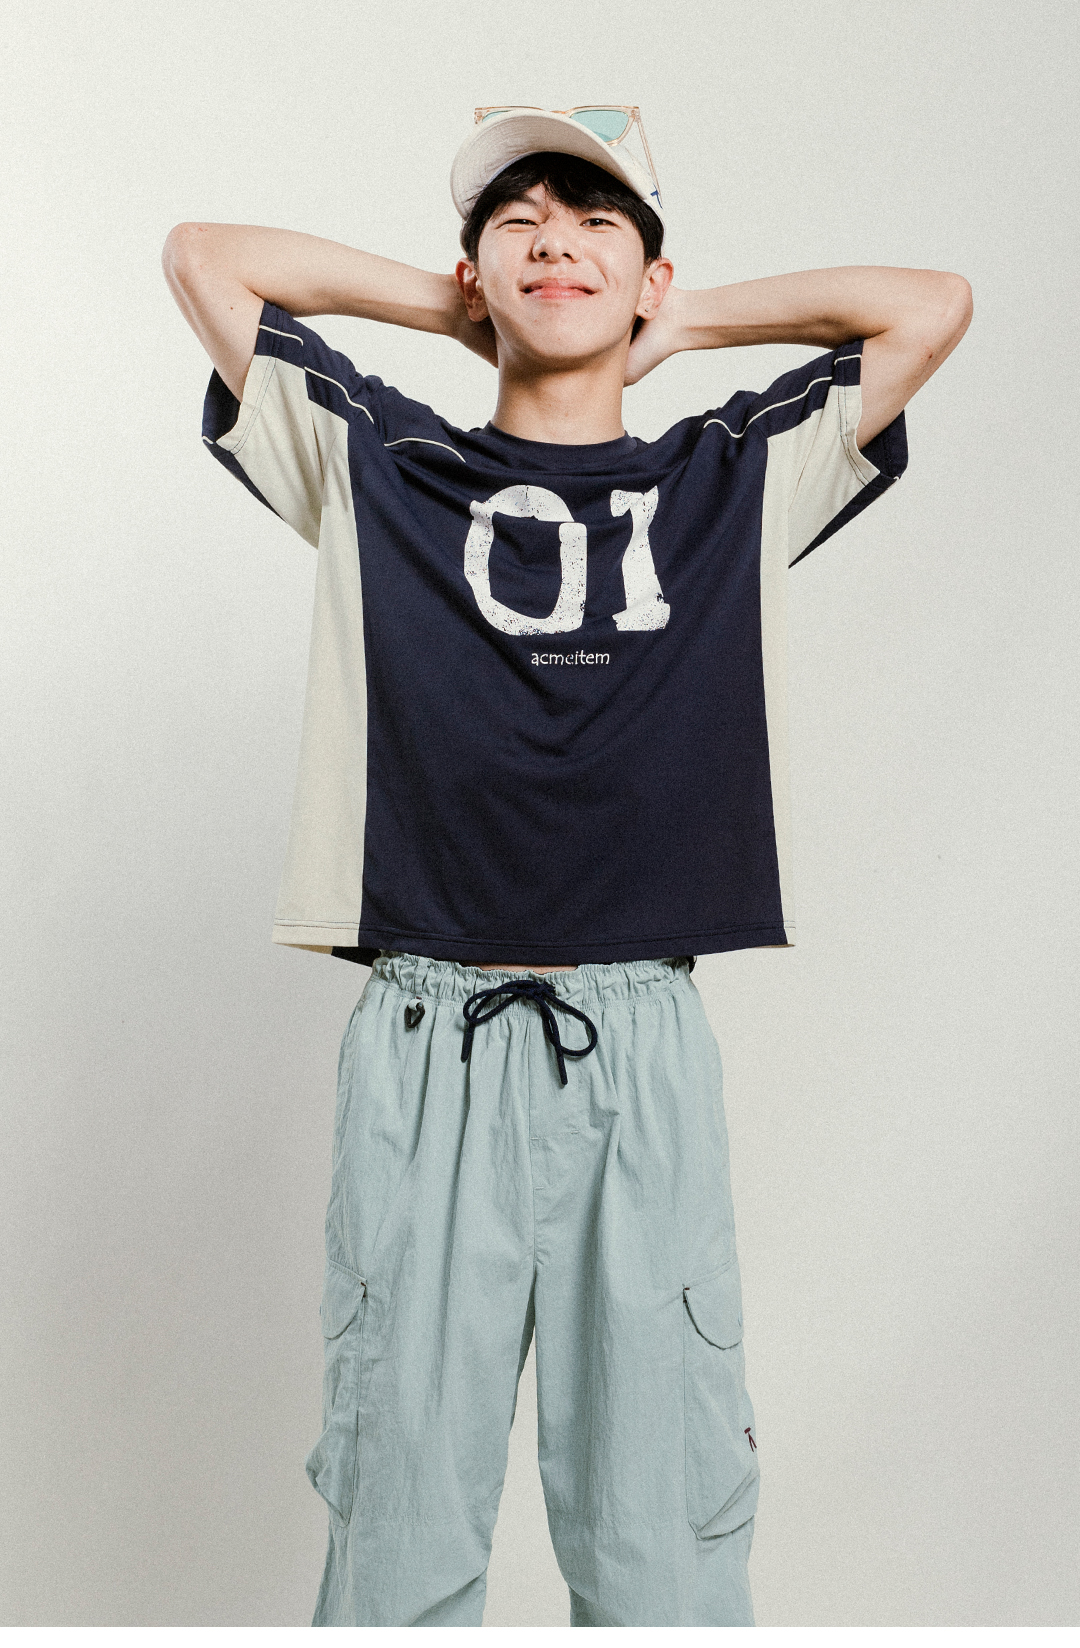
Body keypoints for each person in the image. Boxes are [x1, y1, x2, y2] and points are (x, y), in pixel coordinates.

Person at [162, 105, 971, 1627]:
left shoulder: (730, 476)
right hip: (427, 1040)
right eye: (519, 220)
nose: (557, 241)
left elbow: (929, 306)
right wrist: (459, 307)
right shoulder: (380, 460)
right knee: (399, 1521)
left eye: (598, 221)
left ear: (649, 271)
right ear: (476, 266)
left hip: (639, 1048)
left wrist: (682, 324)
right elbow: (207, 258)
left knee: (663, 1531)